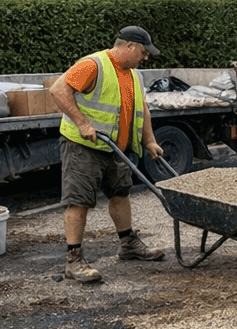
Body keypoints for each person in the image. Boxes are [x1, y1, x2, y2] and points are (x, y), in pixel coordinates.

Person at [50, 26, 166, 283]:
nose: (145, 58)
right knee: (79, 199)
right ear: (131, 47)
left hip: (114, 147)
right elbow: (58, 90)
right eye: (144, 52)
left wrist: (150, 141)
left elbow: (142, 108)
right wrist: (82, 123)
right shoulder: (94, 64)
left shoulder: (134, 75)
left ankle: (128, 245)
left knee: (121, 192)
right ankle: (74, 259)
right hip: (83, 146)